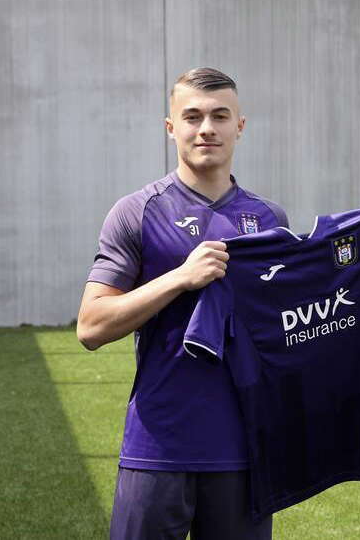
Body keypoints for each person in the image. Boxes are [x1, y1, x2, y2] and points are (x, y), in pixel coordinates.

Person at [77, 68, 287, 540]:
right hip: (157, 446)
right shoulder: (137, 211)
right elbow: (91, 327)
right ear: (171, 128)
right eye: (192, 116)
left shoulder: (270, 219)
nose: (206, 128)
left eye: (219, 116)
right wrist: (180, 278)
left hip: (244, 450)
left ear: (240, 126)